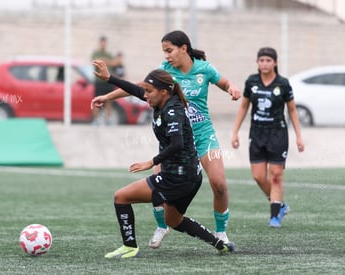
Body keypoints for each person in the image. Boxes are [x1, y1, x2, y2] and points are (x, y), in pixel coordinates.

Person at [91, 30, 241, 247]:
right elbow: (140, 89)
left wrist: (232, 87)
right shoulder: (165, 71)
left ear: (184, 48)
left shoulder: (204, 69)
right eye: (164, 51)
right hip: (175, 138)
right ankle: (162, 227)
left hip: (203, 135)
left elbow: (225, 83)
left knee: (219, 184)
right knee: (159, 184)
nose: (166, 55)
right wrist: (107, 96)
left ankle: (221, 233)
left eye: (169, 50)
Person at [231, 47, 305, 228]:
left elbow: (292, 110)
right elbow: (243, 107)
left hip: (277, 134)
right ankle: (280, 204)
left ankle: (274, 215)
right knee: (258, 176)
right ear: (257, 63)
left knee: (276, 175)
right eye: (261, 60)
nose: (265, 63)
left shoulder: (283, 84)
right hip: (256, 134)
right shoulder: (251, 82)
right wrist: (235, 132)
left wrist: (299, 136)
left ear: (275, 63)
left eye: (268, 60)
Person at [91, 36, 117, 125]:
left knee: (109, 101)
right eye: (102, 42)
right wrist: (106, 61)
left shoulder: (108, 54)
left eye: (104, 42)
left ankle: (108, 119)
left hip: (108, 81)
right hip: (99, 81)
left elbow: (114, 63)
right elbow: (95, 62)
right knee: (97, 101)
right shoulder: (95, 53)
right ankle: (96, 121)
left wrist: (104, 61)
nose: (103, 44)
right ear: (99, 43)